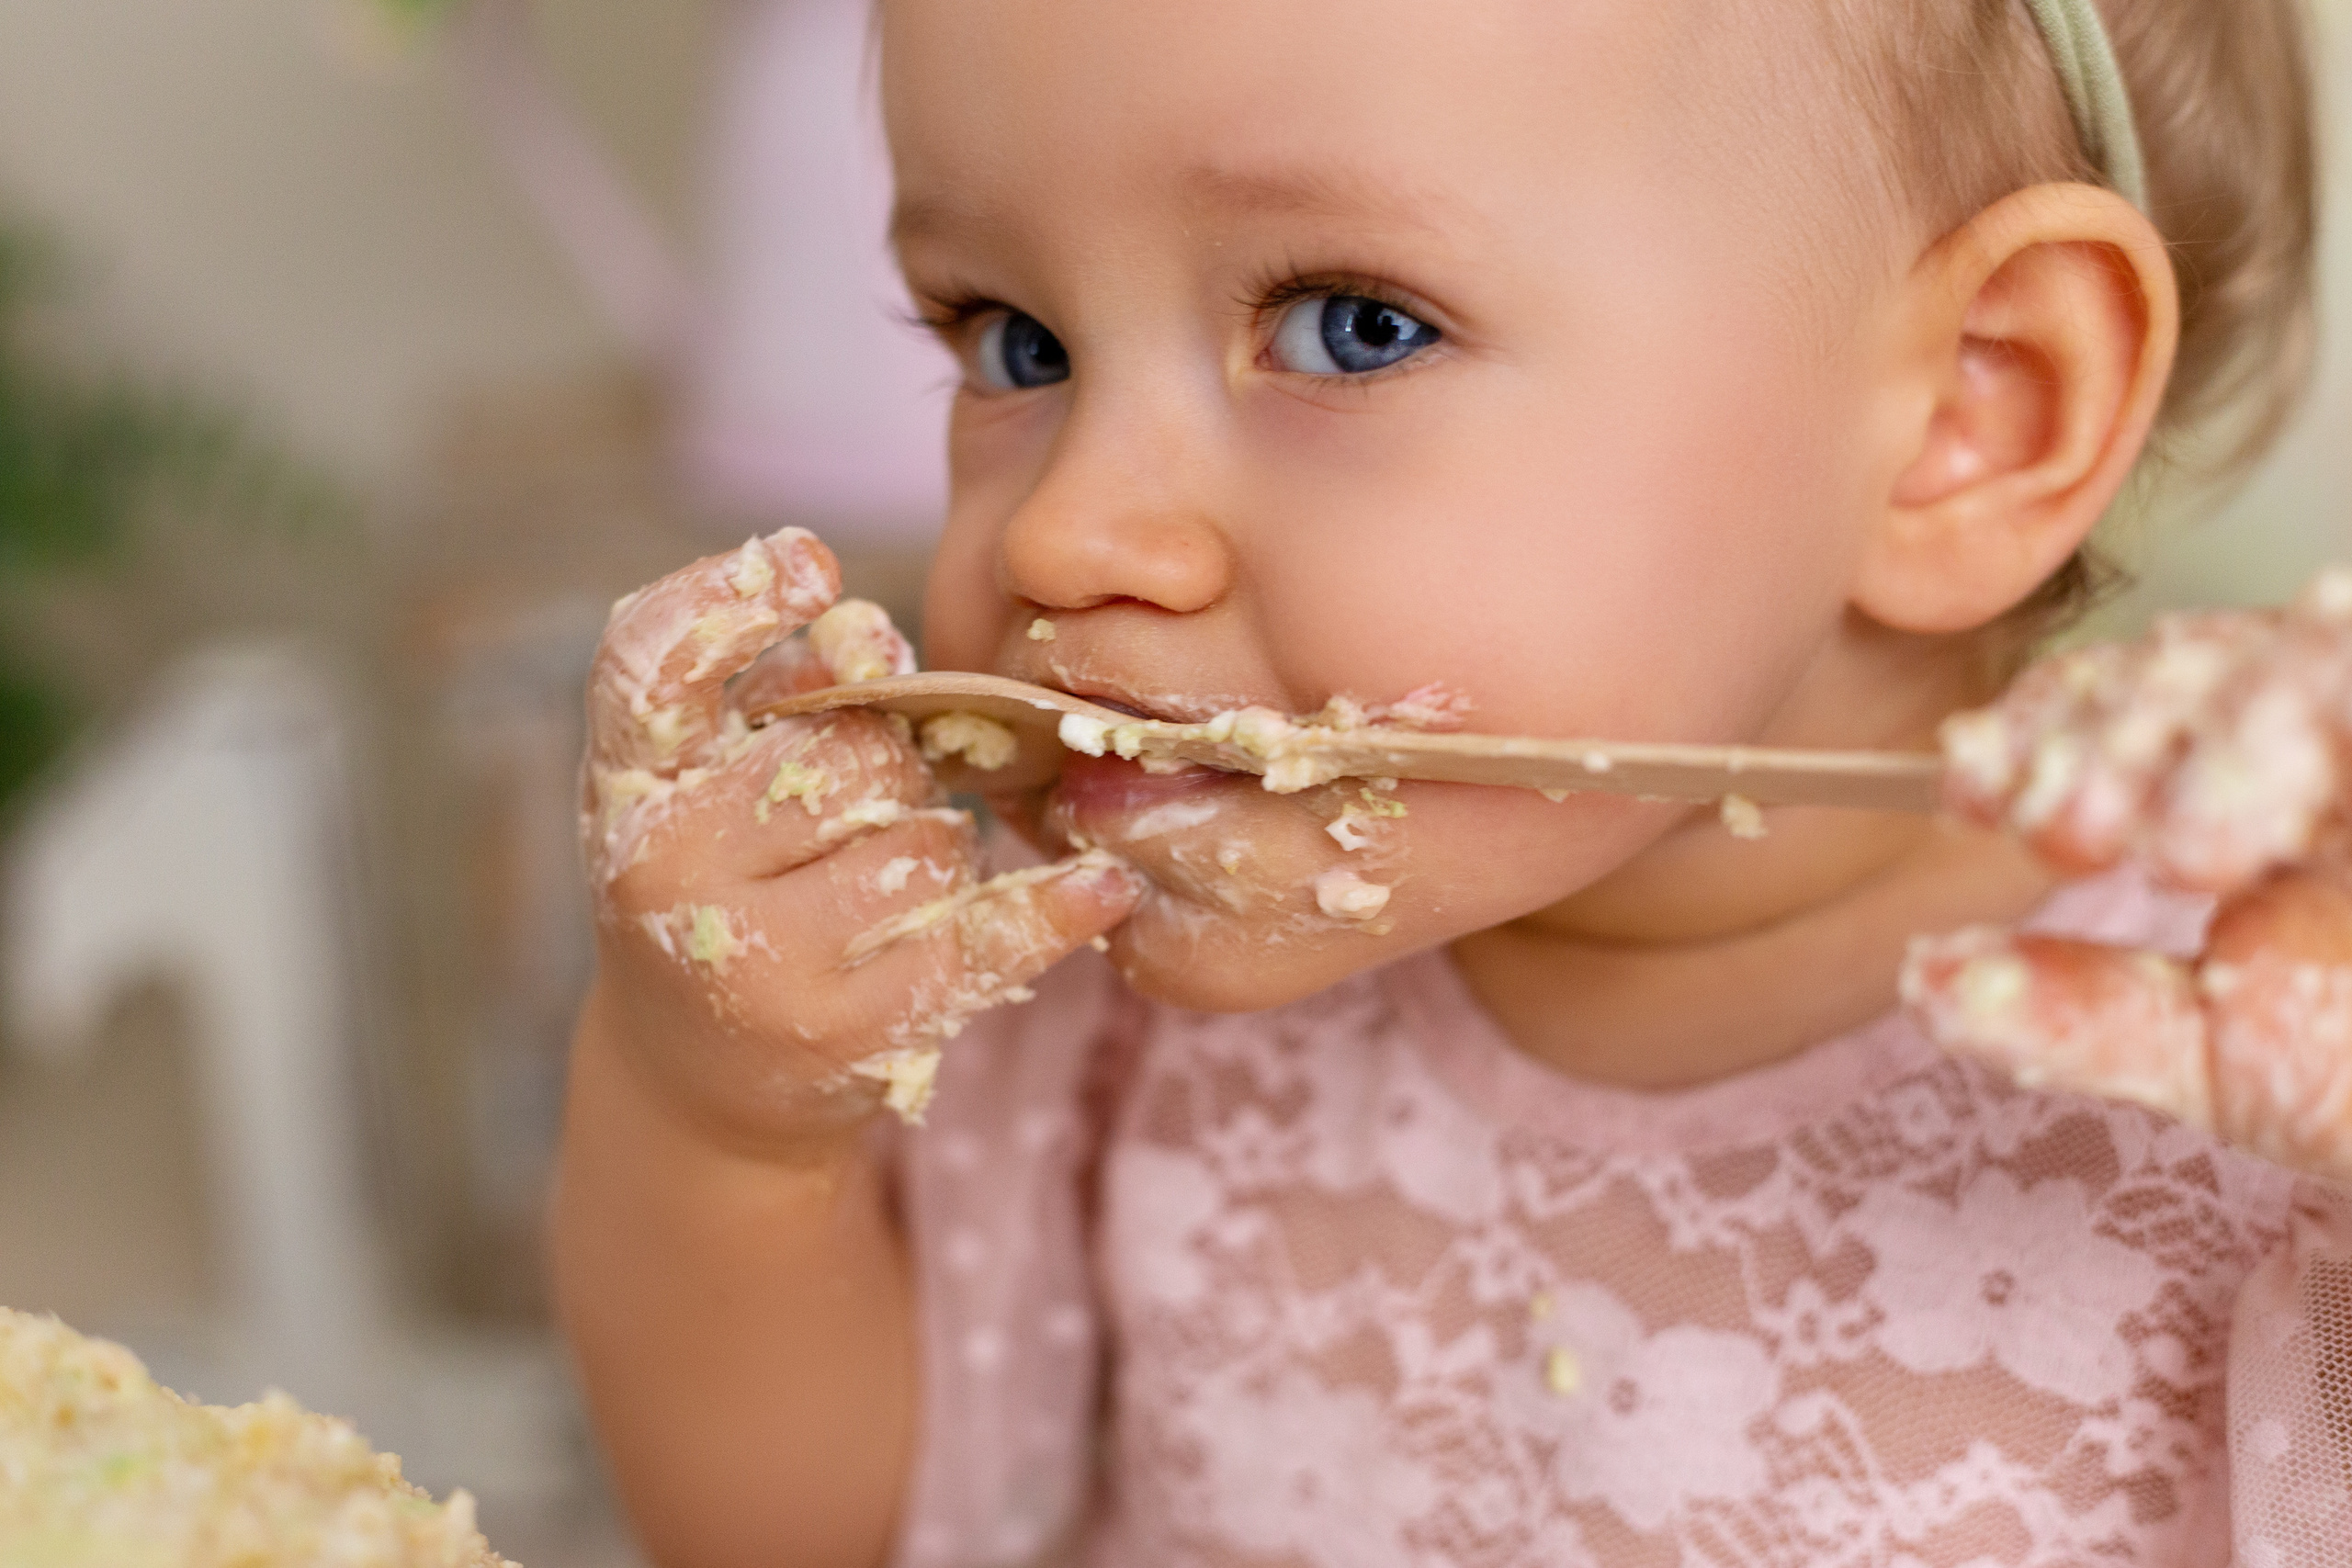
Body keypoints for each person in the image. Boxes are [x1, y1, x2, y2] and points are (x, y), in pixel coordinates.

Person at [549, 1, 2346, 1562]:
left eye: (1348, 326)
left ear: (1971, 411)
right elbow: (805, 1536)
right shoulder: (1103, 991)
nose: (1067, 530)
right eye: (1015, 340)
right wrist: (720, 1127)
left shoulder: (2254, 1057)